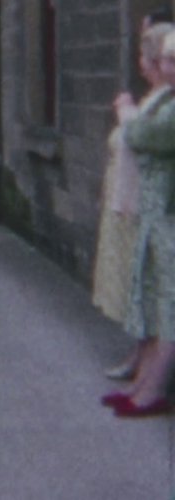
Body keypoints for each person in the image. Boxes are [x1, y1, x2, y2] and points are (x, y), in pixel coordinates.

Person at [94, 21, 174, 384]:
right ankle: (142, 360)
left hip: (148, 206)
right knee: (138, 287)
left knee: (146, 288)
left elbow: (140, 137)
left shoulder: (162, 104)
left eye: (148, 57)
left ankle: (150, 372)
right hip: (133, 203)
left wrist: (125, 112)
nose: (143, 64)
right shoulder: (154, 99)